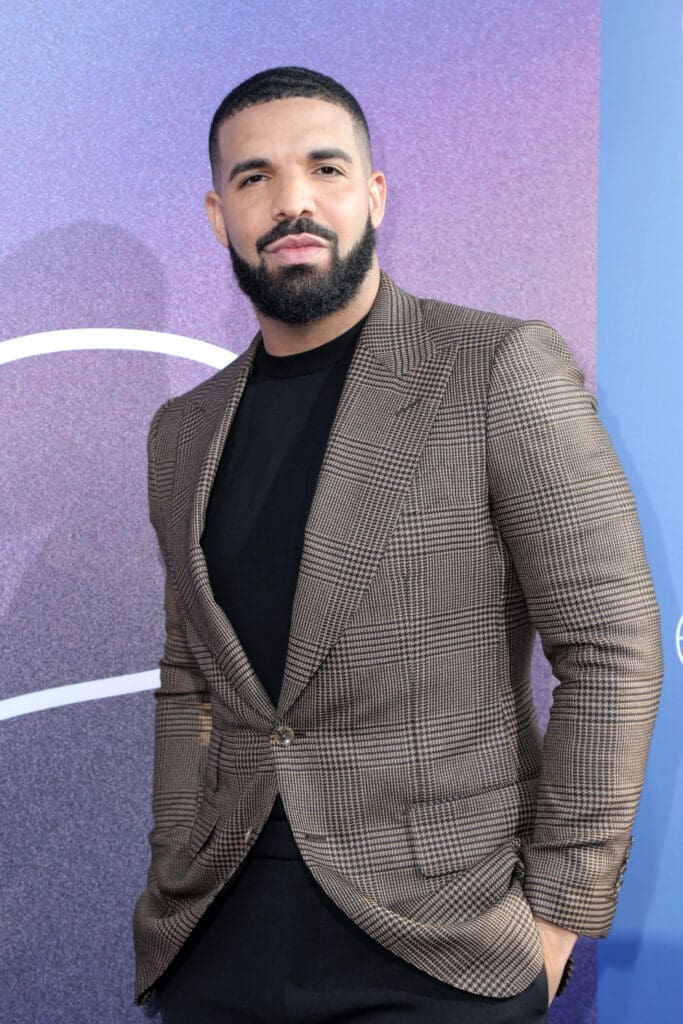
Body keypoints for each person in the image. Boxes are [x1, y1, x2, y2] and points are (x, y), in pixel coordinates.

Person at [132, 67, 662, 1023]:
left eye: (324, 167)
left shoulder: (496, 368)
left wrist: (553, 925)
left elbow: (611, 648)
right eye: (254, 178)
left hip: (441, 946)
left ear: (373, 194)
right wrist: (176, 856)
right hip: (218, 941)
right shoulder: (183, 430)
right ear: (218, 215)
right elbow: (188, 675)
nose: (291, 199)